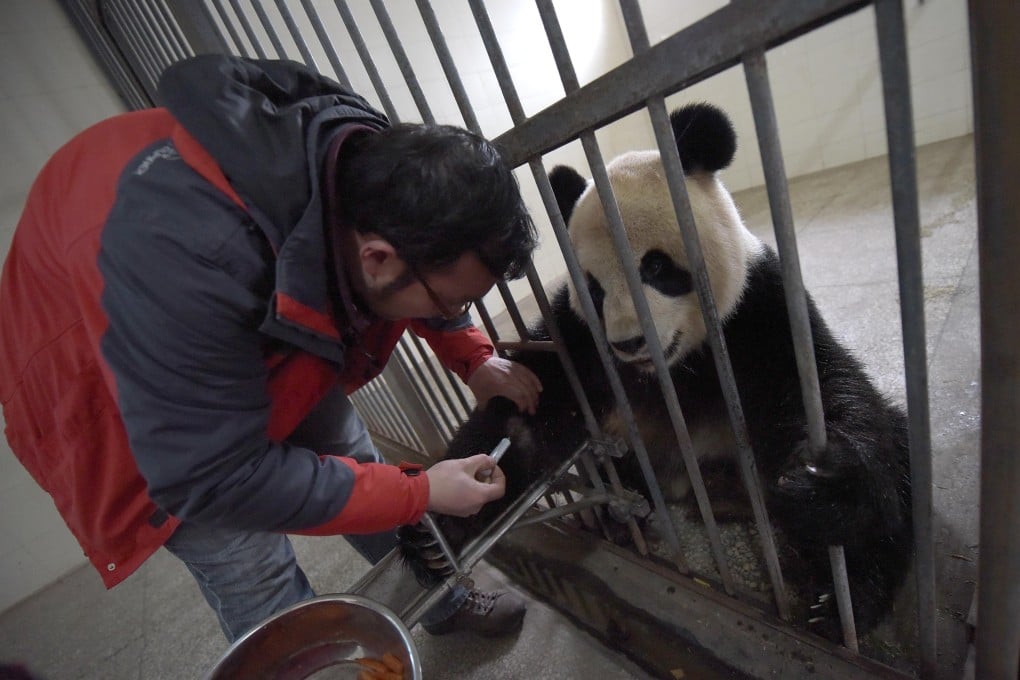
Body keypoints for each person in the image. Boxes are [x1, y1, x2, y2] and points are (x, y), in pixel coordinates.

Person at [0, 55, 544, 643]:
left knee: (359, 466)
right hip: (128, 403)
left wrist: (473, 355)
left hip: (249, 319)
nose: (445, 316)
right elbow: (213, 476)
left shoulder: (360, 156)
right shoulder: (184, 262)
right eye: (443, 305)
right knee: (255, 570)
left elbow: (433, 260)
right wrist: (421, 490)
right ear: (378, 260)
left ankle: (444, 601)